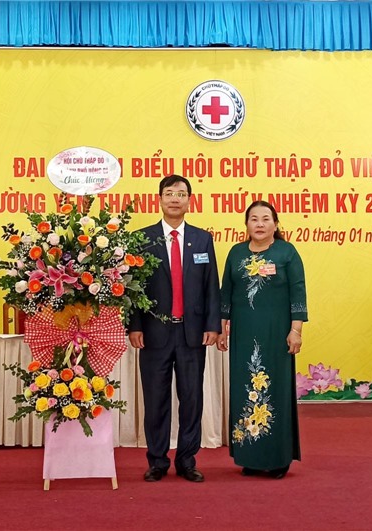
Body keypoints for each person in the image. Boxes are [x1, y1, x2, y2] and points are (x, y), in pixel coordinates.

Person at [128, 175, 221, 483]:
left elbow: (211, 286)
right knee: (155, 401)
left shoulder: (202, 239)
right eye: (169, 193)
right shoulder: (142, 239)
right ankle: (157, 461)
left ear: (189, 201)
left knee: (192, 400)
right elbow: (132, 287)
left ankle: (186, 460)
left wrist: (212, 325)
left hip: (191, 334)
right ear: (160, 199)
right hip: (153, 334)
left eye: (181, 194)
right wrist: (134, 326)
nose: (175, 199)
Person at [216, 200, 308, 479]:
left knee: (275, 390)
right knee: (244, 388)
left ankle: (278, 459)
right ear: (246, 224)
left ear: (275, 224)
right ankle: (251, 457)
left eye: (265, 219)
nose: (259, 224)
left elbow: (298, 292)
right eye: (254, 219)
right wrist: (221, 327)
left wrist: (296, 330)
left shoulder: (286, 252)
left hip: (276, 334)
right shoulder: (236, 252)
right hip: (243, 334)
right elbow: (226, 292)